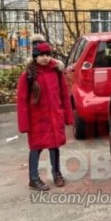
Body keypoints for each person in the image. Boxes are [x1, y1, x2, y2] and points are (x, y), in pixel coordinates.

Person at [17, 38, 73, 191]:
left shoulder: (56, 72)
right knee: (36, 148)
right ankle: (33, 179)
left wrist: (67, 115)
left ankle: (57, 174)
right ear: (35, 56)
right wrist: (24, 124)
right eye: (41, 55)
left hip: (54, 117)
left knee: (54, 147)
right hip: (37, 120)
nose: (45, 58)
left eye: (47, 54)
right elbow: (22, 101)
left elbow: (64, 95)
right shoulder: (28, 75)